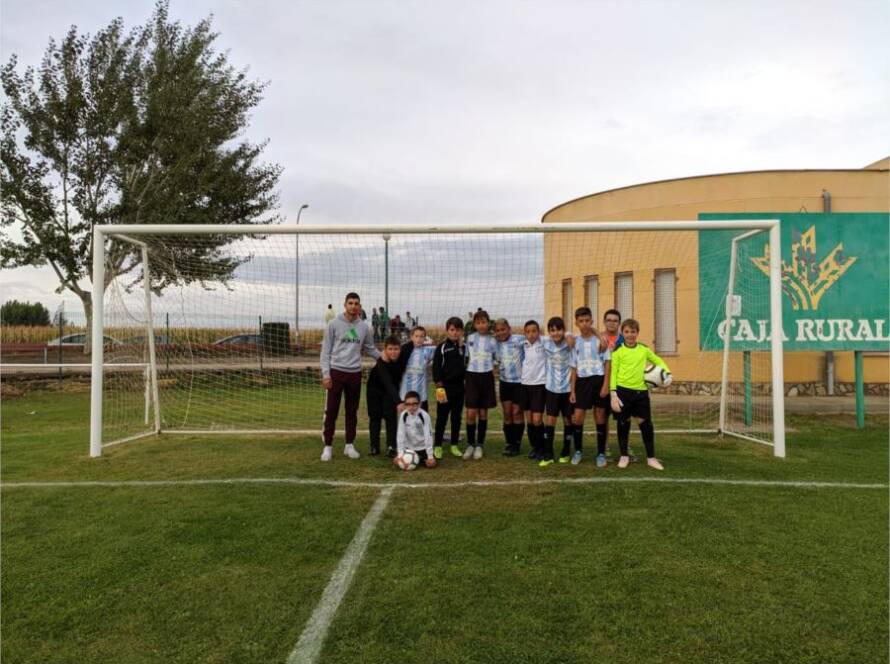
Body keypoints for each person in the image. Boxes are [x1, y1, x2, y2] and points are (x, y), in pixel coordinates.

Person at [320, 292, 382, 461]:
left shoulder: (363, 327)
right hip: (336, 372)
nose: (353, 306)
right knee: (331, 411)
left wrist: (384, 358)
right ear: (345, 305)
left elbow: (369, 348)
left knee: (351, 411)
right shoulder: (333, 324)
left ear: (359, 306)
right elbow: (325, 352)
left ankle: (349, 445)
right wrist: (326, 374)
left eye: (356, 303)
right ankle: (328, 446)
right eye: (350, 303)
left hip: (354, 373)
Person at [610, 318, 672, 470]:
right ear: (622, 333)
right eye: (627, 332)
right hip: (623, 392)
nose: (630, 335)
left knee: (646, 425)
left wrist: (667, 374)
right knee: (623, 424)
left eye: (633, 332)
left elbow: (658, 361)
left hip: (641, 393)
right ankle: (624, 456)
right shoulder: (618, 351)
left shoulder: (644, 349)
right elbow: (614, 373)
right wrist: (613, 394)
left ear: (637, 333)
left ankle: (651, 458)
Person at [568, 307, 611, 466]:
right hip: (582, 382)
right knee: (577, 417)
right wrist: (572, 390)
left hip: (598, 380)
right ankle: (578, 451)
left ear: (592, 321)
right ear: (576, 323)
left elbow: (607, 363)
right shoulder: (575, 342)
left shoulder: (601, 341)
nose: (584, 324)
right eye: (581, 321)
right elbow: (573, 367)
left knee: (600, 416)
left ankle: (600, 453)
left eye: (587, 320)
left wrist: (606, 384)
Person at [538, 317, 575, 468]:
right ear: (549, 332)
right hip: (551, 389)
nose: (555, 333)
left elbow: (584, 335)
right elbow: (528, 337)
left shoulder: (570, 341)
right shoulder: (545, 342)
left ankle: (566, 451)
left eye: (559, 329)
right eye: (552, 330)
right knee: (550, 420)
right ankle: (548, 454)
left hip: (567, 390)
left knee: (568, 420)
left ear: (563, 329)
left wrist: (569, 335)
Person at [463, 309, 497, 460]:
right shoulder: (469, 338)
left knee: (483, 413)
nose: (481, 325)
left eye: (484, 322)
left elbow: (497, 358)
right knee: (470, 413)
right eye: (478, 322)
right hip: (472, 377)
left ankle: (479, 445)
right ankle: (470, 444)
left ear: (488, 323)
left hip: (486, 377)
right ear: (474, 324)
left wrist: (494, 368)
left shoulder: (493, 340)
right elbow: (465, 358)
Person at [366, 336, 409, 457]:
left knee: (390, 418)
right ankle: (374, 447)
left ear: (400, 349)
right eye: (390, 349)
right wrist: (399, 402)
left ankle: (391, 446)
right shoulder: (381, 362)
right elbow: (387, 382)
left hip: (390, 392)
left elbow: (411, 343)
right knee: (375, 417)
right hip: (374, 390)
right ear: (385, 350)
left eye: (396, 349)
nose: (393, 352)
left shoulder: (403, 355)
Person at [433, 316, 466, 459]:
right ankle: (438, 446)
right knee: (441, 418)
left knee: (456, 418)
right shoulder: (441, 348)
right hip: (444, 389)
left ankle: (454, 445)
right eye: (452, 330)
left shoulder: (464, 348)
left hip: (459, 389)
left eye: (458, 330)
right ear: (447, 331)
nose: (455, 333)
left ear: (461, 332)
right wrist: (439, 386)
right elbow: (435, 368)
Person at [493, 318, 525, 456]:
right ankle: (509, 443)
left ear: (509, 329)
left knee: (517, 412)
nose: (501, 333)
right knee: (507, 413)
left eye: (503, 329)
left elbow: (538, 339)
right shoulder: (494, 344)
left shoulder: (519, 340)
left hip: (520, 383)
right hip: (504, 382)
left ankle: (517, 444)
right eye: (498, 330)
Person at [519, 320, 547, 460]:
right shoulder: (522, 344)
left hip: (540, 386)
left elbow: (565, 336)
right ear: (524, 333)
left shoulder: (545, 343)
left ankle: (542, 447)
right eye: (528, 332)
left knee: (537, 420)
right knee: (529, 419)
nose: (531, 334)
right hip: (525, 385)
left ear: (539, 332)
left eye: (534, 331)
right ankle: (534, 447)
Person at [395, 391, 437, 469]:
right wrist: (400, 454)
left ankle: (420, 459)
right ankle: (415, 459)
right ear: (405, 405)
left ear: (420, 404)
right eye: (408, 404)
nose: (411, 407)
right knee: (396, 462)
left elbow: (428, 436)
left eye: (414, 404)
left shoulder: (424, 416)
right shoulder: (403, 415)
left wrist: (430, 456)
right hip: (409, 448)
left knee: (431, 465)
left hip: (422, 448)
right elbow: (400, 435)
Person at [399, 326, 436, 412]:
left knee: (422, 420)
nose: (419, 339)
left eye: (421, 336)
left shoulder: (428, 351)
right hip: (406, 392)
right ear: (411, 337)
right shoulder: (404, 350)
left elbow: (441, 350)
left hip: (421, 395)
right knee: (407, 421)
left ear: (425, 338)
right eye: (416, 336)